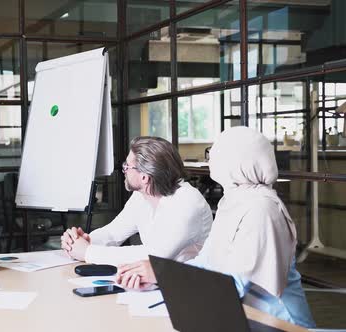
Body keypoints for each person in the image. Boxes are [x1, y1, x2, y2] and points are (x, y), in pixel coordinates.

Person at [117, 127, 315, 328]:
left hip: (280, 323)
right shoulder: (233, 201)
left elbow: (234, 284)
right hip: (245, 316)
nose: (210, 158)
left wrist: (161, 274)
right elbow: (207, 263)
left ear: (236, 160)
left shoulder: (262, 209)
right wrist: (159, 280)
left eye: (214, 152)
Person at [61, 136, 213, 266]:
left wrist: (88, 252)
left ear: (144, 177)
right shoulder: (142, 196)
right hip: (156, 282)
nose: (124, 170)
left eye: (127, 166)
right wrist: (82, 241)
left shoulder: (188, 202)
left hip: (187, 287)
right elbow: (113, 234)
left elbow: (154, 255)